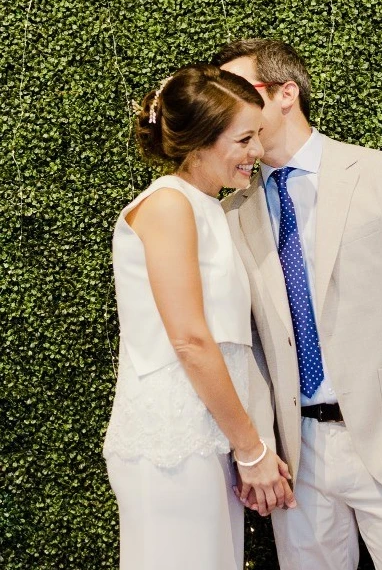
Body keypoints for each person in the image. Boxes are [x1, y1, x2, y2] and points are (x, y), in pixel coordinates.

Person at [216, 40, 382, 570]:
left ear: (287, 94)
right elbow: (252, 343)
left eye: (240, 92)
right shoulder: (234, 210)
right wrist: (262, 446)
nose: (226, 109)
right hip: (297, 457)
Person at [103, 63, 296, 570]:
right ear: (201, 141)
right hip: (171, 446)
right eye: (244, 139)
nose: (257, 152)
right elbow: (190, 340)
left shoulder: (210, 208)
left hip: (207, 438)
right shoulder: (168, 205)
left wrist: (246, 445)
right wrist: (251, 450)